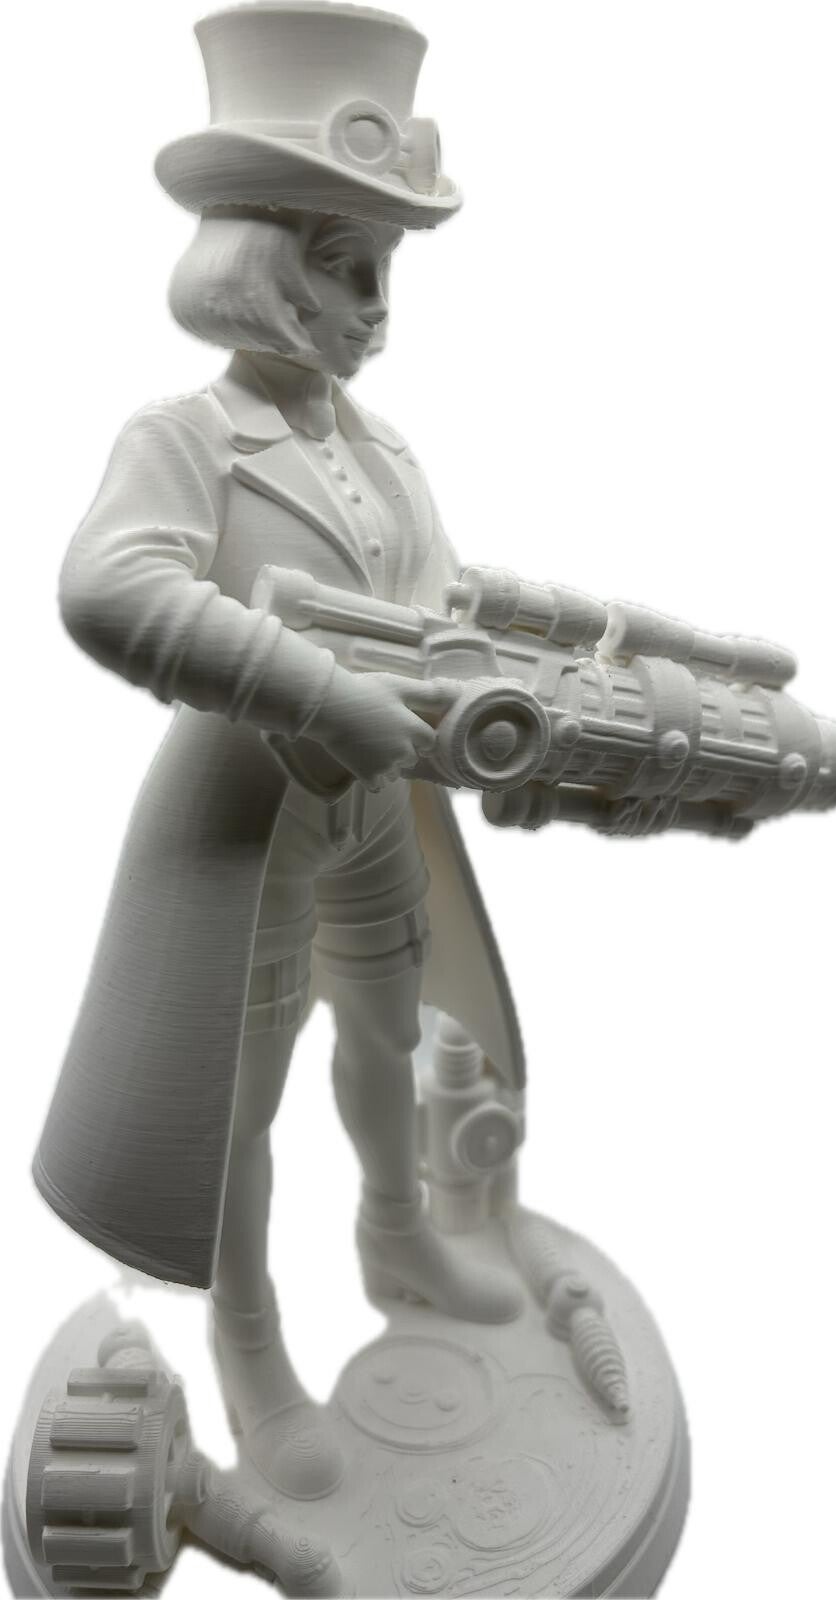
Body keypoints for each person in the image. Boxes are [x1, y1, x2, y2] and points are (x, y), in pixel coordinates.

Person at [35, 3, 523, 1500]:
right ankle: (251, 1349)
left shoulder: (386, 450)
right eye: (346, 266)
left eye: (382, 270)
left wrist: (493, 688)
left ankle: (398, 1231)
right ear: (261, 262)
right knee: (236, 1098)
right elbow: (109, 590)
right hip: (248, 824)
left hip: (375, 809)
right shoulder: (184, 436)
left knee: (388, 1030)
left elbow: (436, 607)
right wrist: (310, 692)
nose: (376, 307)